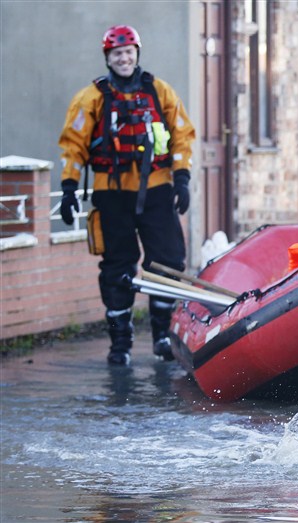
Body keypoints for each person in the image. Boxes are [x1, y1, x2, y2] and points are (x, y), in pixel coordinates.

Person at [58, 25, 195, 366]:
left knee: (168, 261)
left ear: (137, 54)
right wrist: (69, 187)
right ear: (108, 58)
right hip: (112, 192)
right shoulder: (91, 97)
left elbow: (182, 135)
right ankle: (120, 342)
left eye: (129, 52)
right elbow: (72, 146)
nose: (124, 58)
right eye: (117, 53)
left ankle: (162, 335)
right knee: (116, 266)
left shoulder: (159, 91)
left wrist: (182, 178)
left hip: (157, 188)